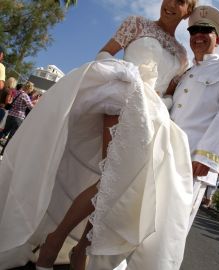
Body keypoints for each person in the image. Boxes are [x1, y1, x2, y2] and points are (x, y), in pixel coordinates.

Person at [0, 1, 197, 269]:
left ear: (188, 12)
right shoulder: (136, 23)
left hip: (153, 118)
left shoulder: (182, 55)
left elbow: (172, 93)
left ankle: (81, 249)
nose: (171, 4)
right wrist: (125, 75)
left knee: (120, 189)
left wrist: (165, 103)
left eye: (182, 0)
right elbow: (105, 54)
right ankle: (55, 243)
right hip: (123, 98)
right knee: (109, 180)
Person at [170, 5, 219, 230]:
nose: (199, 36)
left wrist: (207, 157)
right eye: (194, 31)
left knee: (173, 228)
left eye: (206, 30)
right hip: (164, 154)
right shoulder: (186, 73)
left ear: (218, 40)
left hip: (193, 161)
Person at [0, 81, 34, 156]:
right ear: (29, 88)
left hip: (10, 115)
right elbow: (31, 107)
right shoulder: (25, 96)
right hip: (18, 117)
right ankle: (3, 153)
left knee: (4, 132)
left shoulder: (16, 92)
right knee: (11, 137)